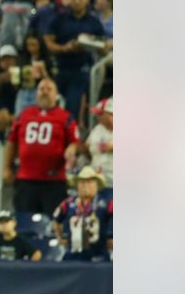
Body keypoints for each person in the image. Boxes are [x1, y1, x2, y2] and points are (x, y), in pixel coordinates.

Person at [7, 78, 78, 215]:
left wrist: (72, 148)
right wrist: (6, 167)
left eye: (49, 89)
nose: (45, 92)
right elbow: (11, 141)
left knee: (53, 223)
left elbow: (76, 143)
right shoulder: (24, 114)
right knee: (24, 222)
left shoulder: (65, 117)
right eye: (41, 89)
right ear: (36, 93)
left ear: (56, 94)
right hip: (26, 179)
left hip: (53, 181)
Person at [52, 167, 113, 262]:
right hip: (73, 255)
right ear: (77, 185)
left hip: (98, 255)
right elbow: (56, 219)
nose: (85, 186)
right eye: (82, 182)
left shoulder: (106, 203)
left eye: (89, 182)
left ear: (96, 185)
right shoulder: (68, 203)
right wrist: (60, 238)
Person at [86, 98, 113, 185]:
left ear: (111, 114)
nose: (98, 117)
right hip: (98, 180)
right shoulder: (98, 129)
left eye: (101, 114)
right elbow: (87, 146)